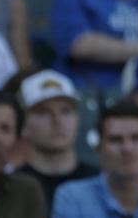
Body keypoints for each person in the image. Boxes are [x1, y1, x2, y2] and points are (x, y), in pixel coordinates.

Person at [15, 69, 98, 208]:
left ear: (77, 119)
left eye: (66, 111)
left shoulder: (98, 182)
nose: (57, 120)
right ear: (23, 124)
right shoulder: (13, 186)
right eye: (43, 112)